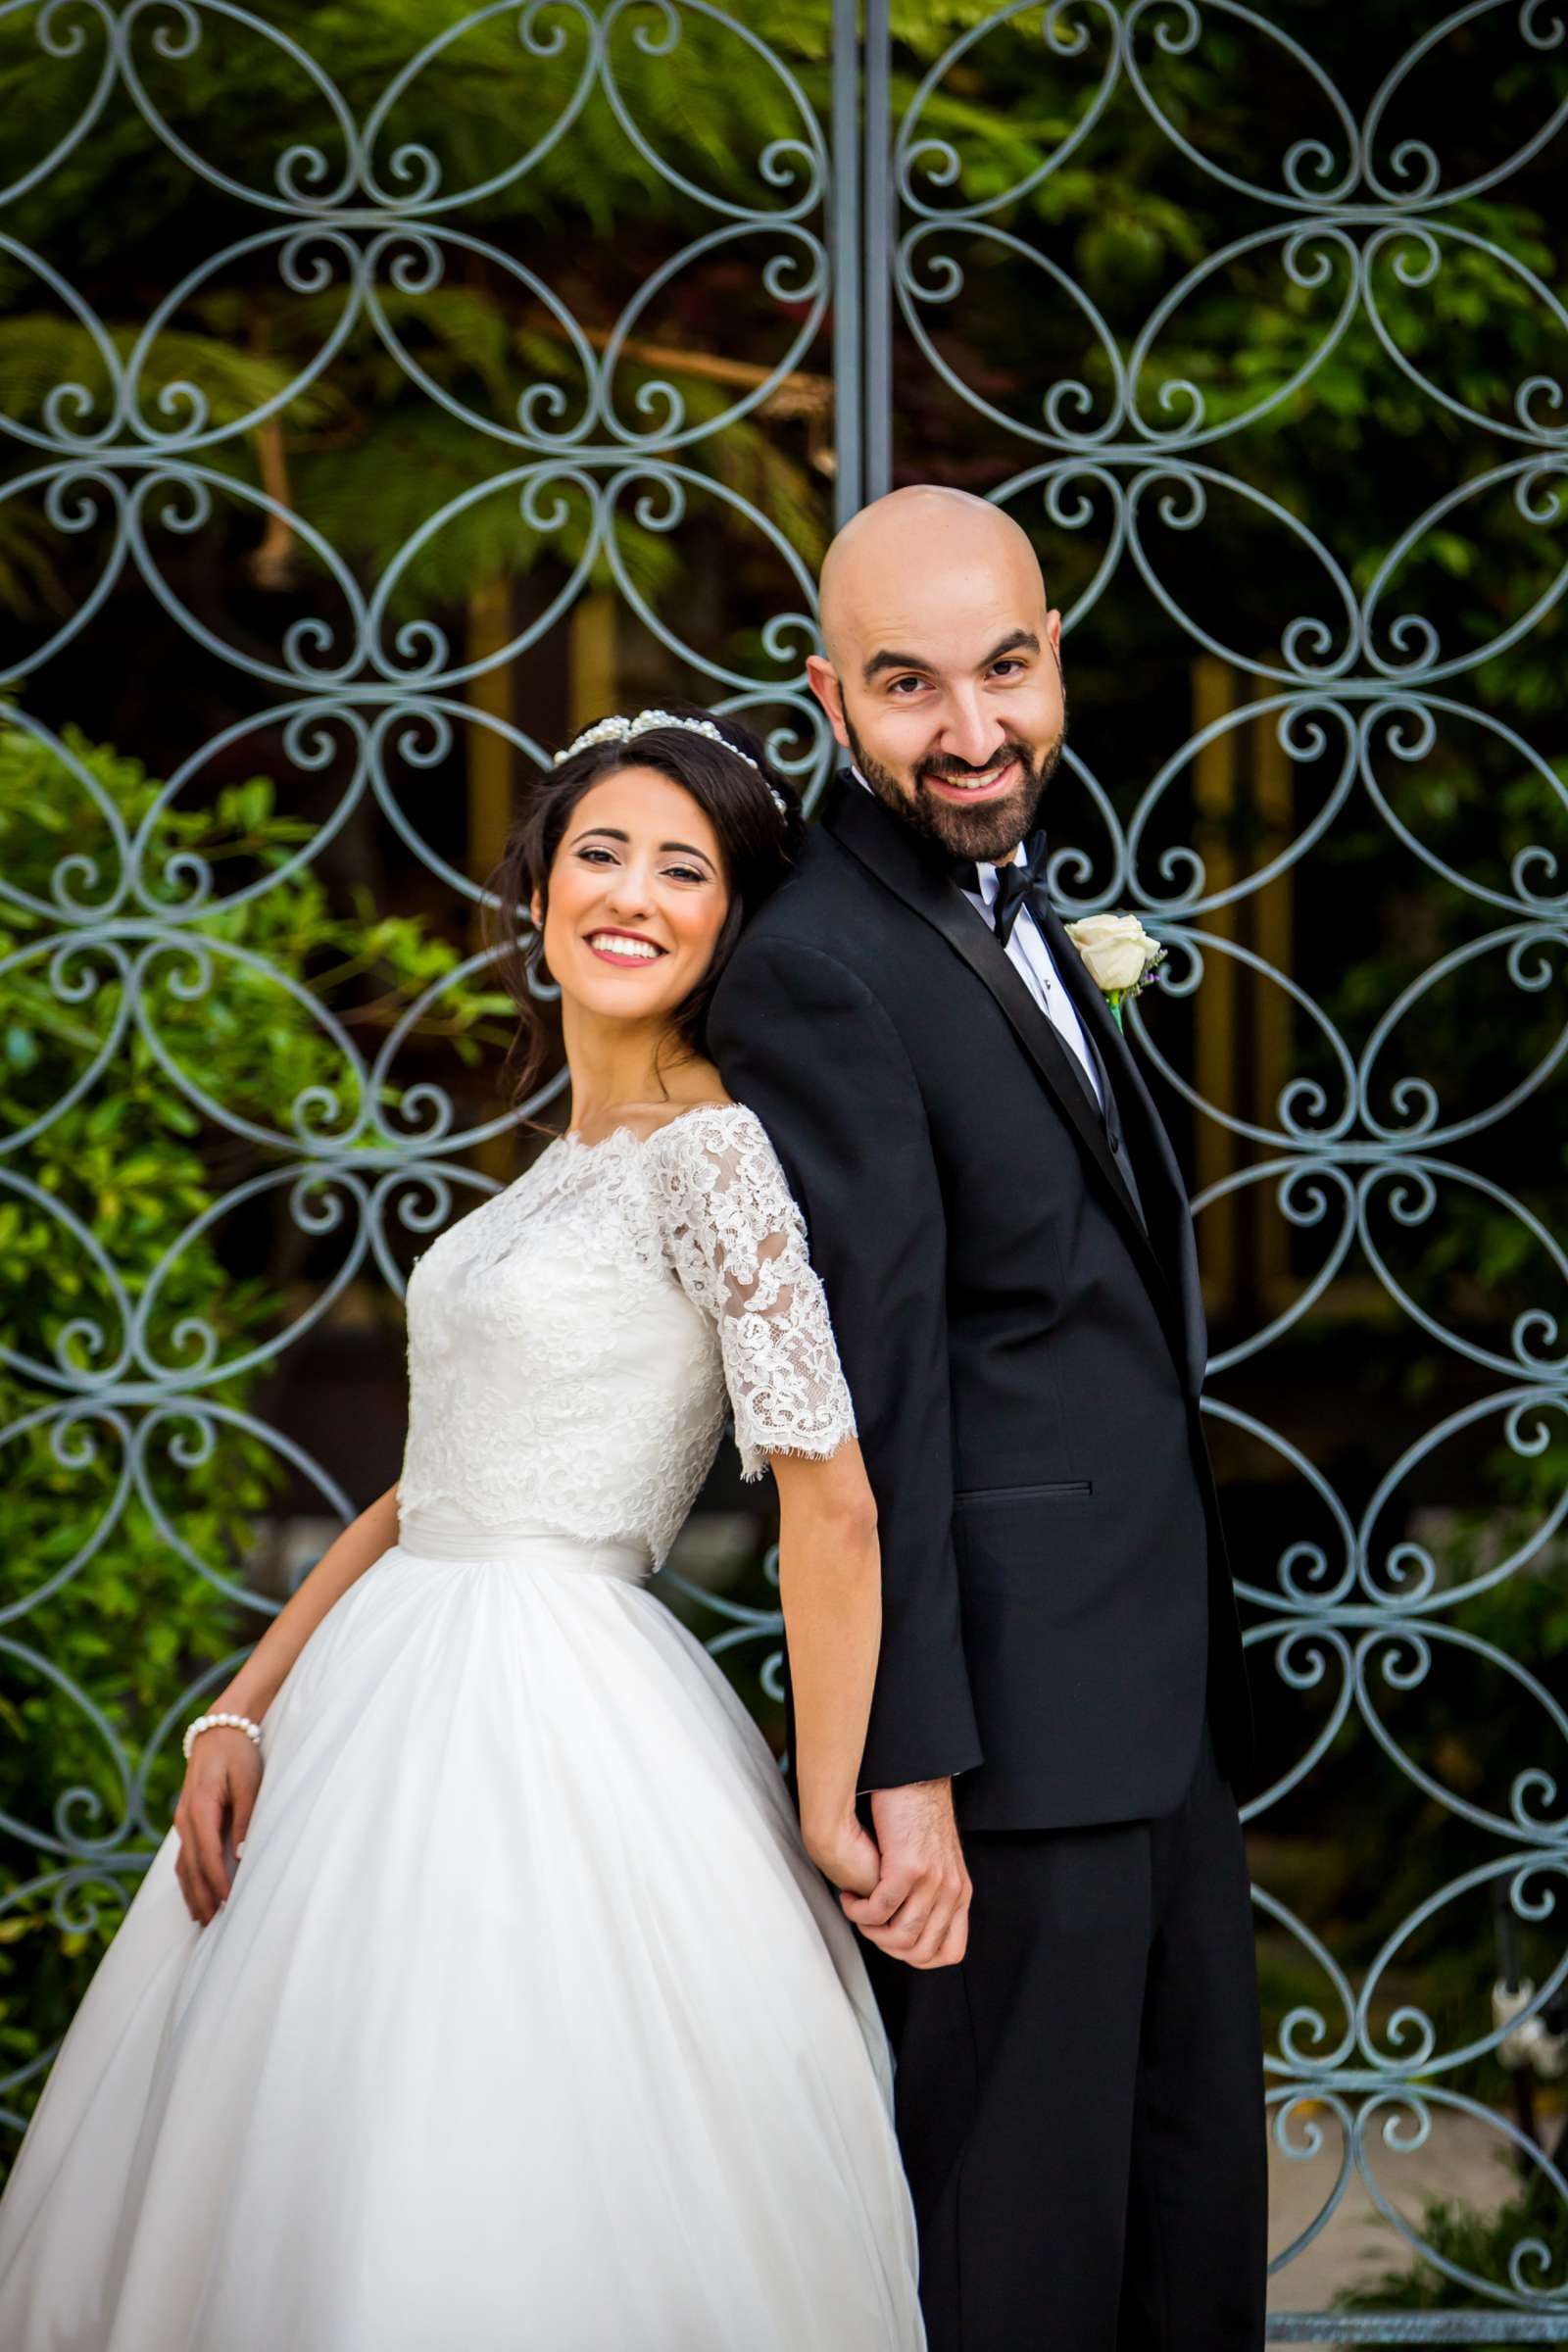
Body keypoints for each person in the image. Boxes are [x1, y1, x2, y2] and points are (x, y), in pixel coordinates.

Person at [0, 710, 925, 2352]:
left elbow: (827, 1490)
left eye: (684, 867)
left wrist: (837, 1805)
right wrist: (245, 1704)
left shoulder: (714, 1157)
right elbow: (426, 1491)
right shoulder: (557, 1164)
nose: (631, 893)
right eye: (599, 853)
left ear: (733, 919)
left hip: (568, 1701)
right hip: (384, 1684)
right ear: (540, 887)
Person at [709, 487, 1268, 2351]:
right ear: (829, 696)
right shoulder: (812, 964)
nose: (970, 731)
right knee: (1023, 2265)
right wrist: (910, 1761)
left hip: (1153, 1701)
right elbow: (873, 1395)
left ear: (1053, 656)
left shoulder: (1021, 893)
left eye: (1005, 670)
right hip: (1003, 1756)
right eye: (907, 686)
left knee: (1185, 2229)